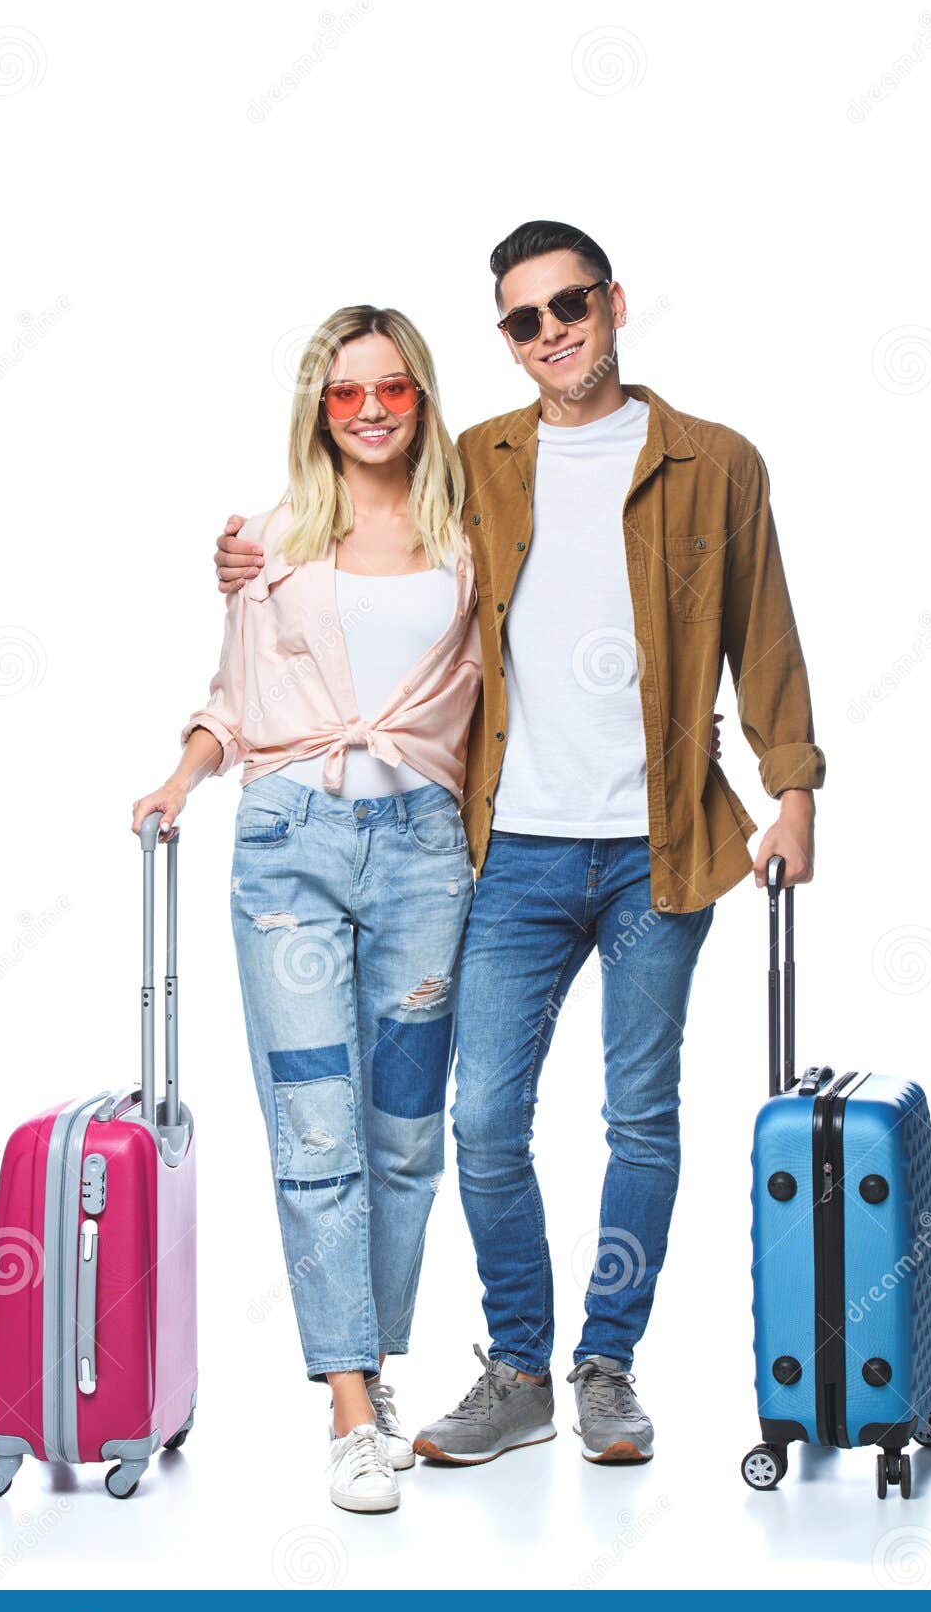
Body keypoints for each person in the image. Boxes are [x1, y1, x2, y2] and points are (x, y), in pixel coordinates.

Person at [212, 221, 824, 1470]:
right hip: (508, 851)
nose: (552, 333)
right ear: (506, 337)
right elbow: (363, 511)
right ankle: (520, 1367)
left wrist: (794, 788)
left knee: (640, 1115)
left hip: (663, 848)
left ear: (614, 303)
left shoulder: (716, 463)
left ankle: (607, 1365)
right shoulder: (476, 461)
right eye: (524, 319)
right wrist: (254, 546)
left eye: (570, 306)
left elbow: (763, 630)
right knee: (484, 1122)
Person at [134, 306, 480, 1512]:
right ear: (318, 409)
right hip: (290, 848)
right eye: (345, 392)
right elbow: (232, 698)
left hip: (427, 854)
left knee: (406, 1134)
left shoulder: (471, 536)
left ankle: (373, 1366)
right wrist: (181, 775)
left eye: (392, 388)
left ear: (421, 396)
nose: (371, 410)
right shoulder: (273, 540)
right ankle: (347, 1406)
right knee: (317, 1129)